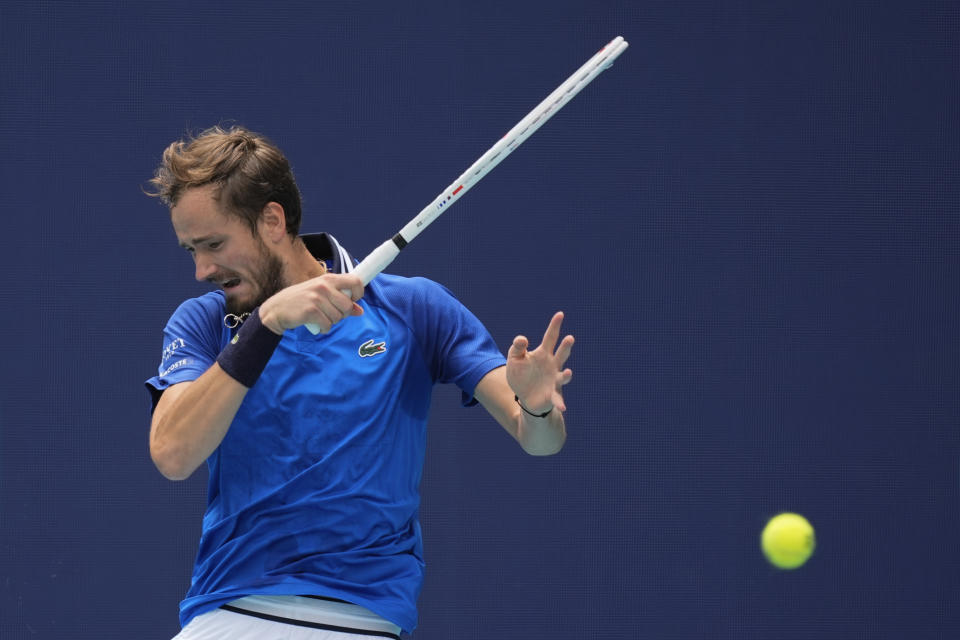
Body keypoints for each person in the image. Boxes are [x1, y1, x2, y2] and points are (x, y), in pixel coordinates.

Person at [144, 125, 574, 639]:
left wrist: (538, 407)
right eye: (190, 250)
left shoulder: (413, 309)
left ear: (273, 220)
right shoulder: (204, 324)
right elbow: (172, 454)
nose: (201, 269)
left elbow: (541, 442)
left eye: (213, 244)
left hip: (361, 619)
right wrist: (265, 325)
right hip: (231, 611)